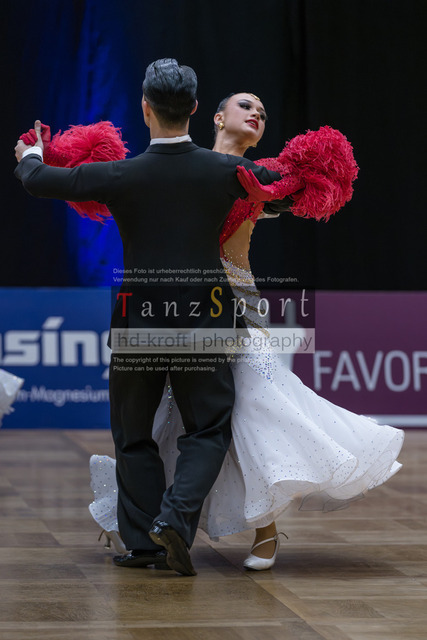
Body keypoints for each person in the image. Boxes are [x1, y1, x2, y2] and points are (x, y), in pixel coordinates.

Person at [89, 92, 404, 571]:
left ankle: (264, 527)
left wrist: (285, 191)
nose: (257, 113)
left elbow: (300, 191)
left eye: (262, 111)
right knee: (173, 423)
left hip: (238, 307)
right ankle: (154, 525)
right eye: (245, 105)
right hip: (177, 310)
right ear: (216, 117)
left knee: (257, 407)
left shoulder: (263, 175)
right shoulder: (185, 167)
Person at [14, 60, 290, 577]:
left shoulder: (121, 174)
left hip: (137, 317)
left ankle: (144, 544)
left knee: (133, 432)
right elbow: (285, 186)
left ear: (145, 109)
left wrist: (30, 151)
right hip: (205, 315)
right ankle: (175, 523)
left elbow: (37, 179)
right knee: (207, 428)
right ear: (194, 109)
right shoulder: (226, 172)